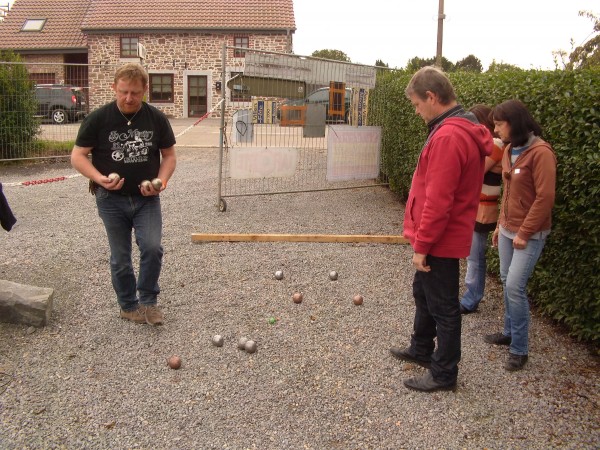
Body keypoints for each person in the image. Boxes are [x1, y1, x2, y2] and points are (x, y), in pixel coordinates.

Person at [390, 66, 493, 392]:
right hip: (438, 237)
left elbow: (439, 200)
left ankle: (444, 373)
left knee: (445, 307)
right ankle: (421, 349)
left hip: (441, 240)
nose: (416, 111)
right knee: (424, 293)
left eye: (417, 105)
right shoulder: (454, 128)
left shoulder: (449, 136)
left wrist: (423, 246)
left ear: (432, 97)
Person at [71, 63, 177, 326]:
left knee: (152, 248)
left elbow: (170, 156)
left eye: (135, 93)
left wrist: (161, 182)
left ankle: (149, 302)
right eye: (123, 92)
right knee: (120, 257)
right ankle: (128, 306)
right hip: (110, 200)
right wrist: (99, 179)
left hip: (147, 199)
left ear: (145, 91)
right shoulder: (98, 119)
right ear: (114, 88)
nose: (129, 98)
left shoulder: (156, 118)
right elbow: (78, 156)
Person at [484, 99, 556, 371]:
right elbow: (509, 193)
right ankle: (508, 332)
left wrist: (524, 233)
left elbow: (545, 198)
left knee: (515, 286)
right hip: (507, 230)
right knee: (505, 280)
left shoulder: (541, 153)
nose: (496, 129)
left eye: (499, 124)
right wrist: (500, 225)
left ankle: (520, 348)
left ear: (514, 123)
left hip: (531, 233)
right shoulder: (510, 150)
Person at [459, 105, 504, 314]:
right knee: (473, 254)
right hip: (479, 206)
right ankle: (471, 295)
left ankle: (471, 298)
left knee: (475, 255)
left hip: (484, 208)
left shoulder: (495, 144)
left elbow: (476, 169)